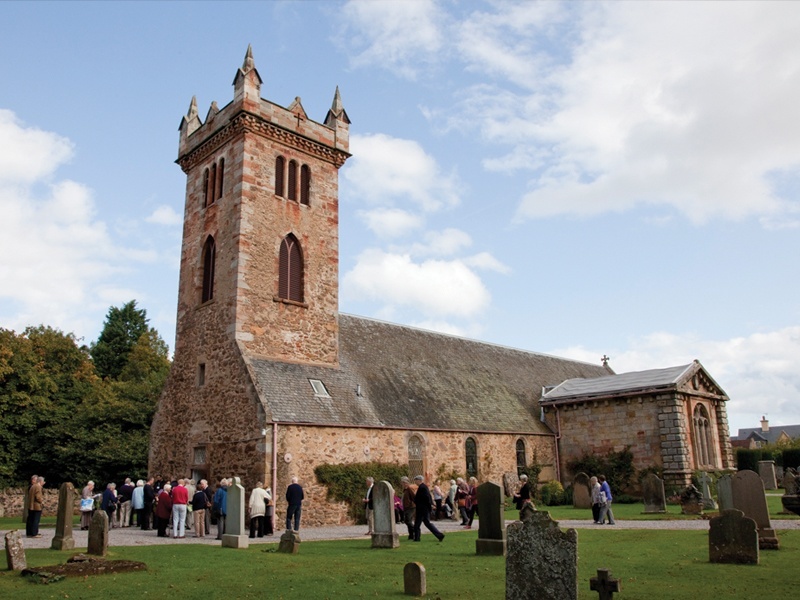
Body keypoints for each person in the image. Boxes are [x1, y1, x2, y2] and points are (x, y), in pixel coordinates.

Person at [412, 475, 444, 542]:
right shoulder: (422, 487)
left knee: (418, 524)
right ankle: (439, 535)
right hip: (423, 509)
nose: (415, 481)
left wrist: (429, 506)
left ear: (419, 480)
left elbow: (427, 498)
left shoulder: (423, 487)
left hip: (422, 509)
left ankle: (417, 538)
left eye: (416, 480)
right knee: (425, 523)